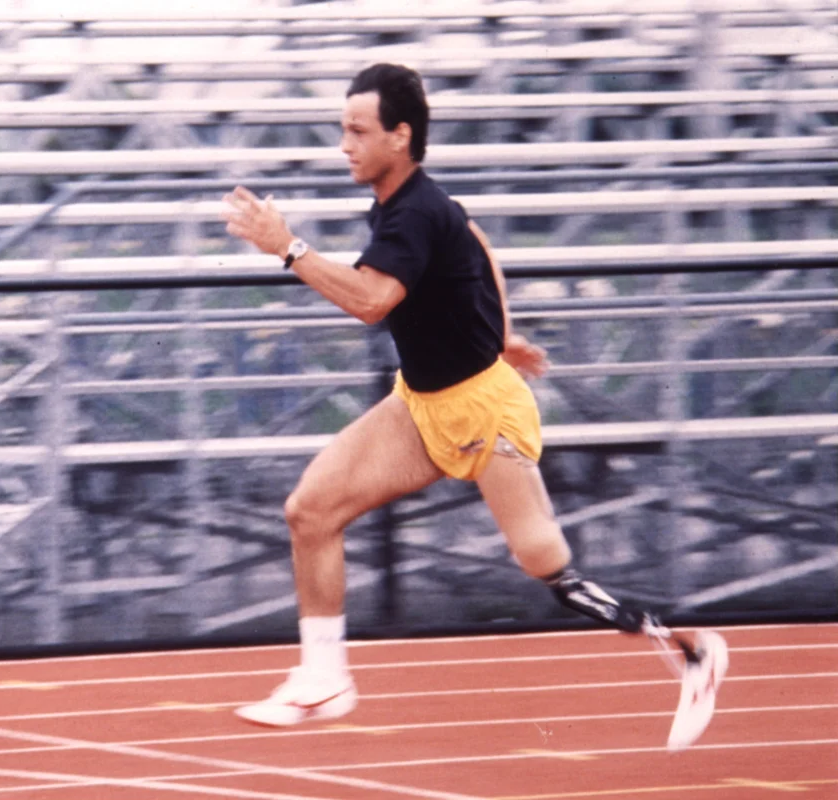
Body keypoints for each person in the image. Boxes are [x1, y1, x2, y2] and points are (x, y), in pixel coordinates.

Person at [222, 63, 727, 751]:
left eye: (357, 131)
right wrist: (500, 331)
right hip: (423, 402)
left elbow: (371, 301)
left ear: (400, 137)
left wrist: (288, 246)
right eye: (342, 129)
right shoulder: (411, 208)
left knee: (545, 565)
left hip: (486, 413)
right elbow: (477, 240)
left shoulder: (414, 212)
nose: (344, 144)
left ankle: (691, 650)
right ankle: (323, 681)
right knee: (310, 510)